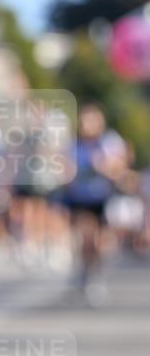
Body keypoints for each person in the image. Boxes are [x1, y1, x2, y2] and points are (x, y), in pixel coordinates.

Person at [58, 103, 127, 304]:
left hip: (102, 198)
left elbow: (119, 169)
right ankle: (87, 275)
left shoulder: (109, 142)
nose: (87, 125)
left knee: (101, 242)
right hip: (81, 199)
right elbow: (65, 169)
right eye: (84, 121)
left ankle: (94, 271)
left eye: (91, 121)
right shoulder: (74, 145)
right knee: (86, 238)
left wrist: (104, 166)